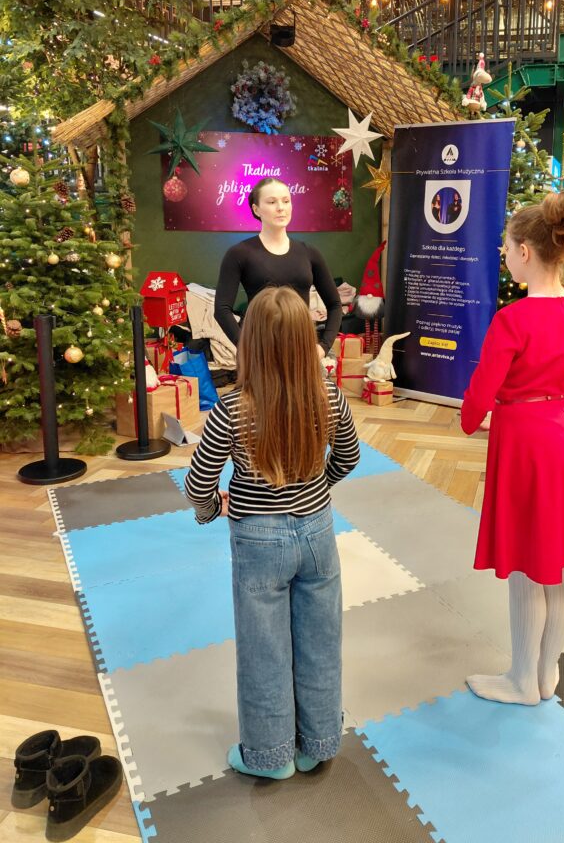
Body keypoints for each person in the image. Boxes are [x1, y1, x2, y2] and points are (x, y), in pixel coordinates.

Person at [185, 287, 360, 779]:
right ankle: (316, 745)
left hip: (257, 540)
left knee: (263, 650)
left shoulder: (232, 409)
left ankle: (269, 756)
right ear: (308, 340)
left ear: (250, 344)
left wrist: (210, 510)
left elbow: (198, 484)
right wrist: (316, 488)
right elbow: (348, 457)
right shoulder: (329, 396)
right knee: (321, 641)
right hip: (318, 531)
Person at [460, 191, 564, 705]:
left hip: (526, 444)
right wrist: (557, 406)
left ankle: (523, 680)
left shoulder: (514, 319)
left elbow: (481, 391)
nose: (505, 255)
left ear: (525, 251)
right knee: (560, 561)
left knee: (528, 561)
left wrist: (472, 420)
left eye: (506, 247)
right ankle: (547, 673)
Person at [214, 177, 343, 357]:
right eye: (272, 202)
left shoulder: (309, 253)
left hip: (302, 346)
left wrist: (323, 347)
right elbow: (221, 309)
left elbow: (335, 304)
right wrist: (244, 345)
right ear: (256, 209)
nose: (281, 207)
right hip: (259, 348)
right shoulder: (239, 253)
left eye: (286, 201)